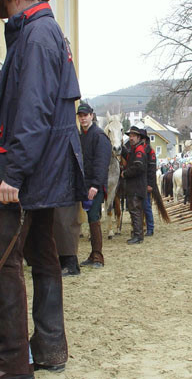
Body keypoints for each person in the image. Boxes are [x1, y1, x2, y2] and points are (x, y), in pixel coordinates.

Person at [0, 0, 85, 378]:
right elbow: (31, 104)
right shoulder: (49, 33)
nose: (4, 18)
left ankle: (12, 361)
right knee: (43, 256)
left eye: (4, 8)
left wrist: (12, 174)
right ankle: (50, 349)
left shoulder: (33, 37)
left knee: (2, 259)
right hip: (46, 169)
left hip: (28, 172)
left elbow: (32, 113)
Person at [77, 102, 112, 268]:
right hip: (84, 184)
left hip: (94, 185)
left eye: (85, 115)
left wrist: (95, 185)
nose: (83, 118)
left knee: (94, 218)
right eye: (80, 116)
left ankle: (98, 256)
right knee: (91, 218)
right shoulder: (81, 136)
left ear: (92, 115)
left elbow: (101, 163)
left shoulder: (99, 136)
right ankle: (92, 255)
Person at [121, 126, 147, 244]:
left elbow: (138, 166)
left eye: (132, 136)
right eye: (129, 136)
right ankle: (137, 234)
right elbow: (129, 157)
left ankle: (137, 236)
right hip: (135, 186)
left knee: (135, 210)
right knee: (135, 210)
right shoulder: (135, 149)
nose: (130, 138)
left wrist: (125, 173)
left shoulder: (139, 150)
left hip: (136, 186)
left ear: (138, 137)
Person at [140, 129, 156, 236]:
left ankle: (150, 228)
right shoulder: (139, 149)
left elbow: (152, 169)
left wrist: (150, 184)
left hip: (146, 183)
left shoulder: (150, 151)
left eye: (141, 138)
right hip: (139, 182)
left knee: (146, 206)